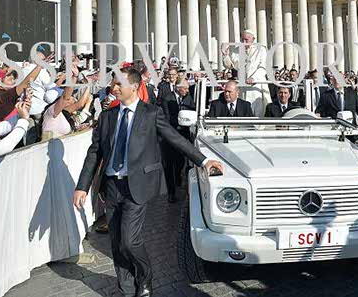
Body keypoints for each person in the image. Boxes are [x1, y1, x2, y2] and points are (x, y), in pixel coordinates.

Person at [73, 67, 223, 297]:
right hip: (111, 186)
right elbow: (95, 153)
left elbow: (174, 138)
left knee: (129, 241)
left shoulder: (151, 113)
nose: (113, 88)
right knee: (117, 242)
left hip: (137, 186)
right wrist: (82, 187)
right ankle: (126, 289)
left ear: (134, 86)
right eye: (113, 83)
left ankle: (145, 276)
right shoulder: (107, 116)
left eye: (119, 84)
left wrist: (203, 161)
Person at [160, 78, 195, 203]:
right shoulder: (167, 98)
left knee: (180, 161)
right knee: (168, 165)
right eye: (185, 88)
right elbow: (166, 117)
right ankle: (171, 193)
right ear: (178, 88)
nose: (187, 90)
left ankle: (178, 174)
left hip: (183, 135)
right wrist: (180, 120)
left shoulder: (188, 97)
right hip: (169, 135)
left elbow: (192, 110)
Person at [221, 29, 271, 116]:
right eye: (242, 39)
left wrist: (253, 78)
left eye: (246, 40)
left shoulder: (261, 50)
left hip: (256, 86)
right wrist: (225, 56)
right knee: (243, 112)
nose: (244, 42)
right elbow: (229, 66)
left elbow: (263, 67)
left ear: (253, 39)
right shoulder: (237, 50)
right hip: (242, 87)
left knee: (257, 113)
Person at [315, 74, 358, 140]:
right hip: (333, 132)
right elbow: (319, 111)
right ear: (332, 81)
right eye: (335, 79)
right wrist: (317, 117)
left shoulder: (352, 93)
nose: (337, 81)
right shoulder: (325, 95)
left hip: (350, 131)